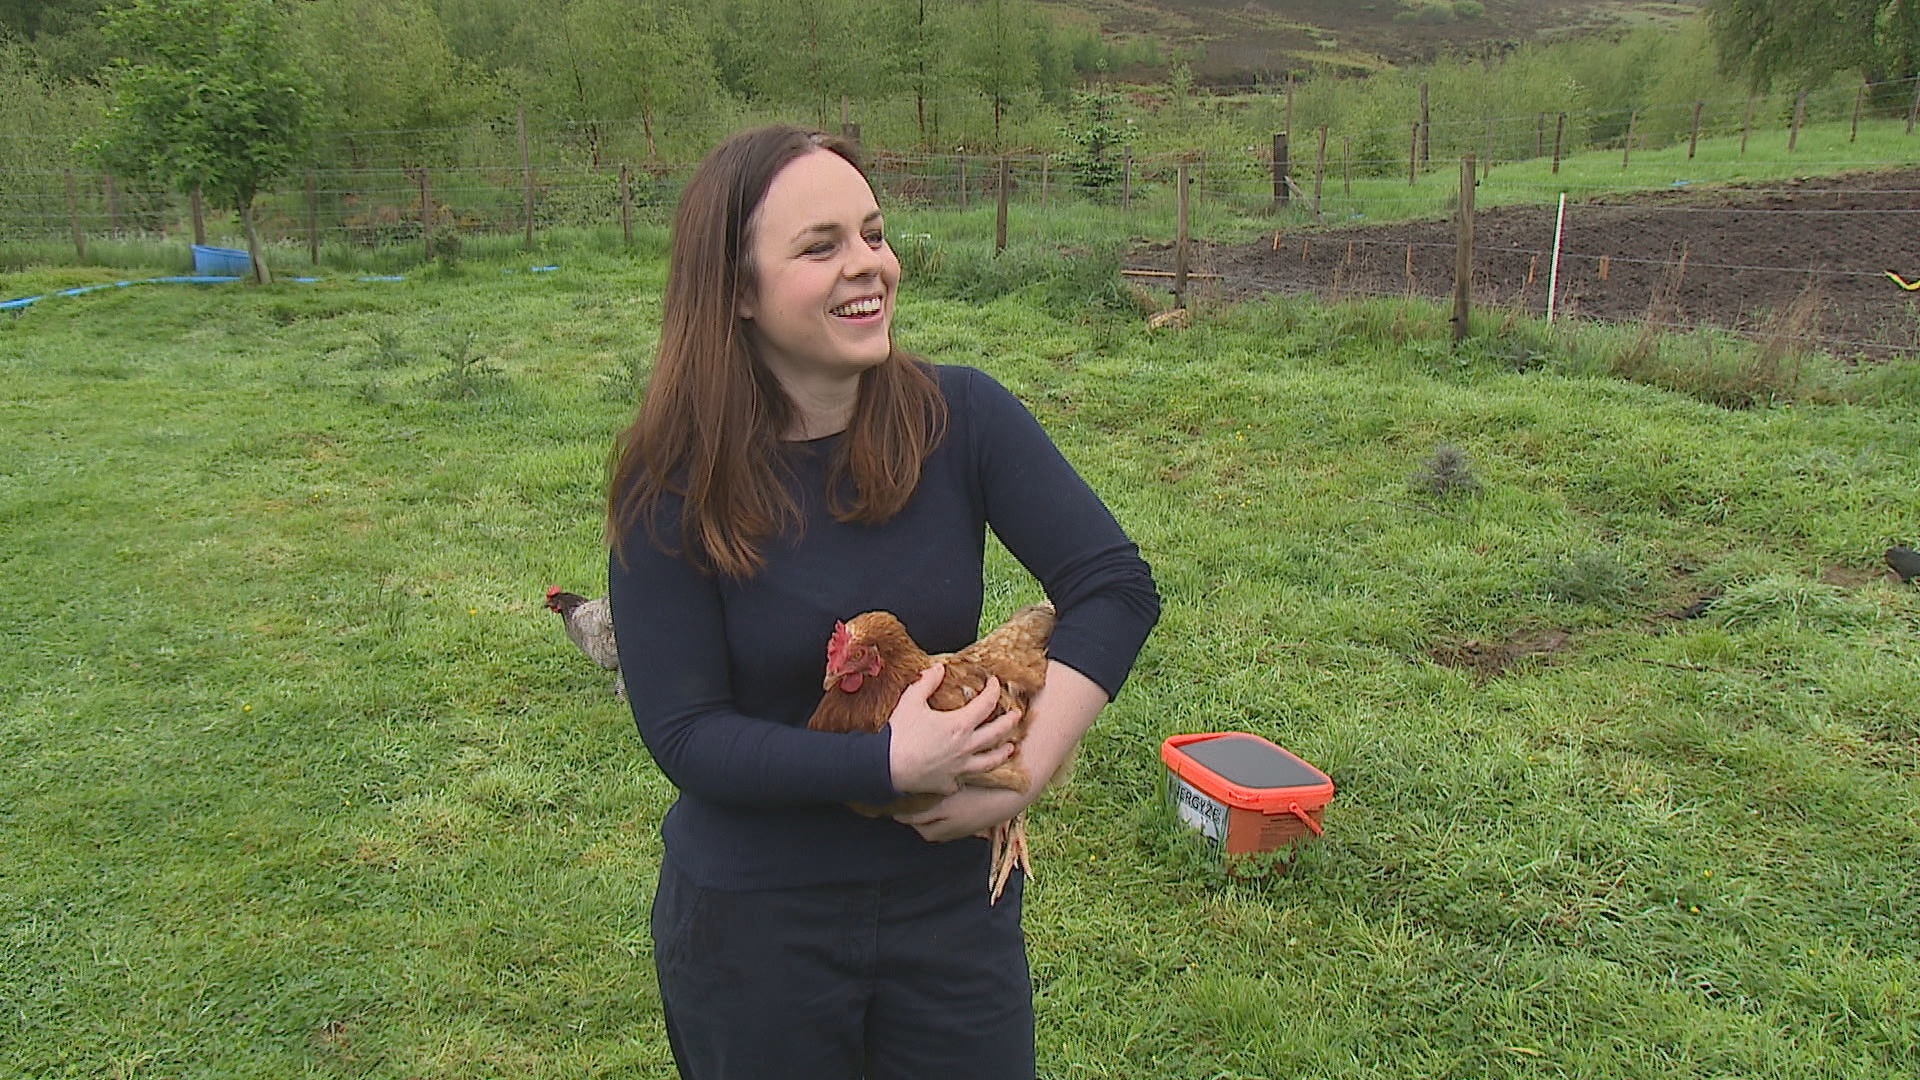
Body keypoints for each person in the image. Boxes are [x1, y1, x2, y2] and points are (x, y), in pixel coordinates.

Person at [605, 124, 1160, 1080]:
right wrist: (889, 759)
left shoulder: (964, 418)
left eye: (873, 233)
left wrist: (1026, 770)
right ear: (736, 292)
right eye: (820, 247)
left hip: (950, 911)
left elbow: (1113, 586)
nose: (869, 266)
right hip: (755, 925)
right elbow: (687, 734)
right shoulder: (673, 481)